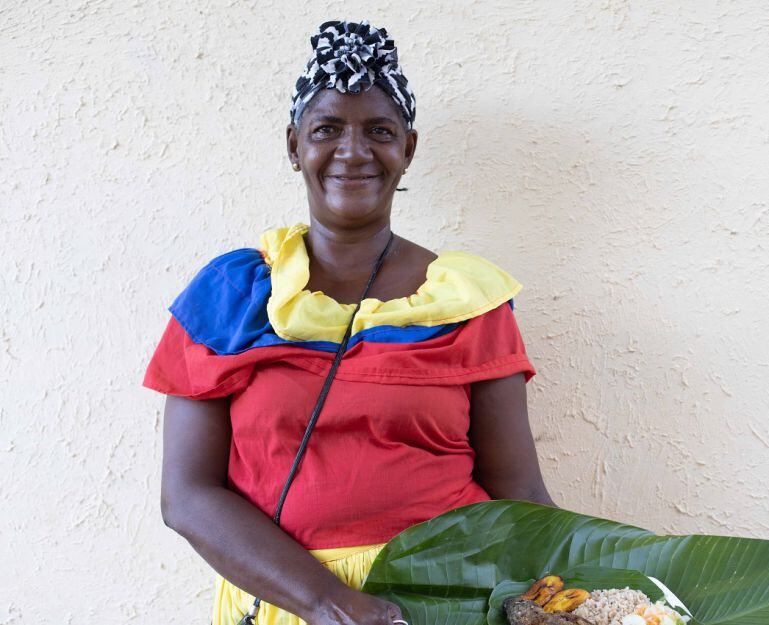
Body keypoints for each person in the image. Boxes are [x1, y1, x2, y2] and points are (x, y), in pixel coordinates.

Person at [143, 20, 553, 625]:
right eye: (327, 129)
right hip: (284, 603)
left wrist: (605, 591)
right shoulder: (231, 296)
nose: (354, 151)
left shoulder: (470, 300)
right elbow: (187, 496)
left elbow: (519, 496)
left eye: (379, 132)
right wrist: (331, 604)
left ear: (407, 150)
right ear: (294, 146)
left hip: (449, 603)